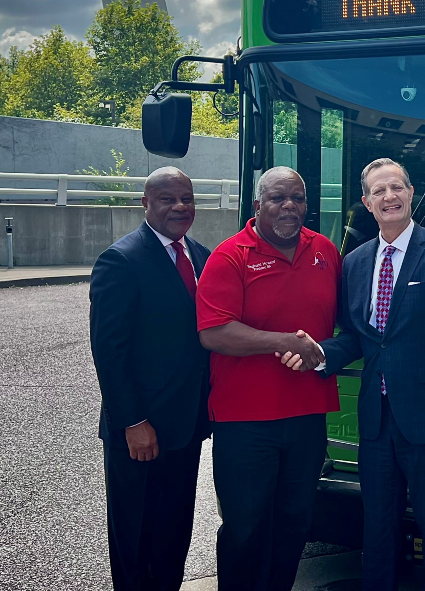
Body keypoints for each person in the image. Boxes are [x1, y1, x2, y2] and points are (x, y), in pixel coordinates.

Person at [282, 158, 425, 591]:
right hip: (375, 420)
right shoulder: (354, 262)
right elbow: (359, 336)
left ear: (411, 194)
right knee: (377, 526)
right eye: (379, 191)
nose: (389, 197)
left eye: (397, 187)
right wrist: (319, 354)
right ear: (367, 203)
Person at [196, 166, 341, 591]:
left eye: (297, 198)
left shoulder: (325, 251)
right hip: (245, 422)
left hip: (307, 416)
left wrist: (323, 353)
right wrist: (283, 342)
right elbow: (213, 332)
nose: (289, 206)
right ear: (258, 205)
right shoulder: (231, 256)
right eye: (278, 198)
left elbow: (347, 324)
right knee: (245, 527)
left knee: (295, 522)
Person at [88, 166, 212, 591]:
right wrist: (133, 421)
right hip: (141, 431)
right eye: (167, 199)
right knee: (136, 537)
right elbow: (109, 351)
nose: (179, 207)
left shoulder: (202, 256)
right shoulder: (121, 260)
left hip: (186, 427)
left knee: (173, 534)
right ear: (145, 203)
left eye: (187, 198)